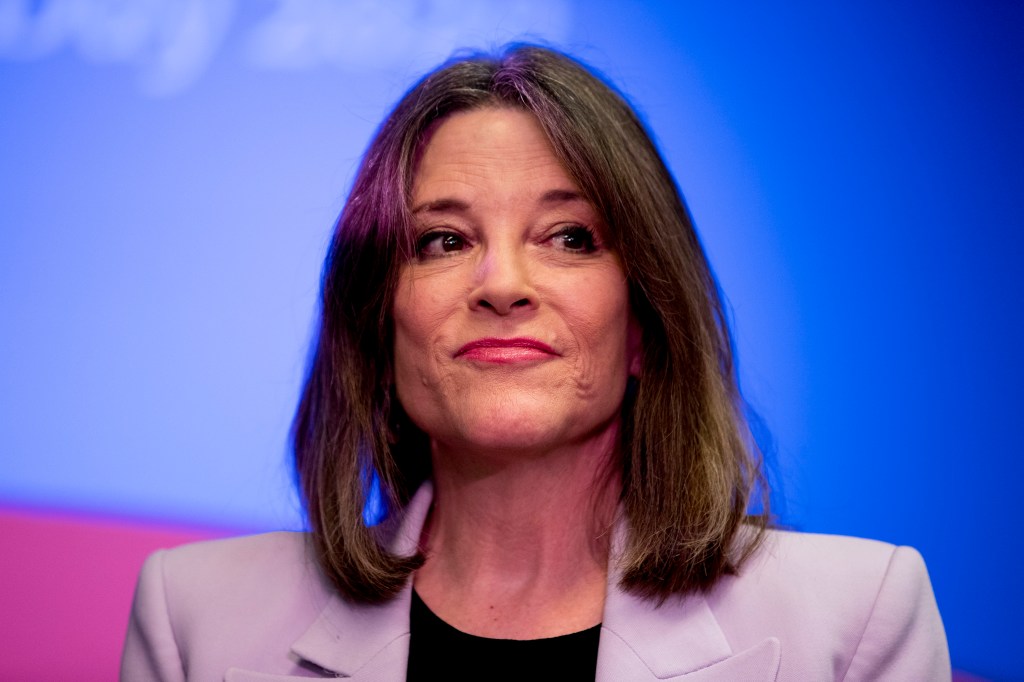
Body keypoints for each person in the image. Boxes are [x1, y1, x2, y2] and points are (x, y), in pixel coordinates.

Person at [121, 44, 949, 681]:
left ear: (644, 324)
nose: (503, 285)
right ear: (377, 325)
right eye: (444, 241)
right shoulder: (196, 618)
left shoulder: (855, 618)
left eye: (569, 238)